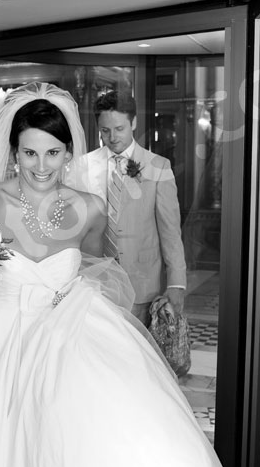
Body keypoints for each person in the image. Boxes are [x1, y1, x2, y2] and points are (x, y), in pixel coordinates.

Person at [0, 82, 238, 467]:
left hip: (74, 333)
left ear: (69, 153)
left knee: (99, 443)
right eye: (29, 153)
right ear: (13, 152)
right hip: (5, 343)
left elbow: (91, 264)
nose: (41, 165)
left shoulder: (89, 208)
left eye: (52, 152)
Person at [80, 90, 187, 325]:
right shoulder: (82, 166)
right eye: (105, 131)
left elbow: (170, 231)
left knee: (138, 355)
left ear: (134, 123)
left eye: (119, 129)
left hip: (143, 283)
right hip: (96, 281)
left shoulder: (158, 167)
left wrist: (176, 283)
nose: (112, 137)